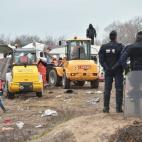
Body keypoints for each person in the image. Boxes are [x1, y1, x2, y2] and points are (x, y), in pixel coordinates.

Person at [99, 30, 124, 113]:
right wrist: (115, 66)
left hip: (108, 71)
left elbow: (101, 59)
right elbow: (122, 58)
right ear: (116, 36)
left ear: (109, 37)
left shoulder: (103, 47)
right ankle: (118, 108)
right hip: (118, 70)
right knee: (119, 89)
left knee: (107, 89)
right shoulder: (120, 46)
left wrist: (106, 67)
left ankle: (106, 108)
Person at [119, 31, 142, 115]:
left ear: (136, 37)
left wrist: (127, 70)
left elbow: (122, 59)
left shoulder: (130, 47)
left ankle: (136, 110)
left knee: (135, 90)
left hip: (134, 71)